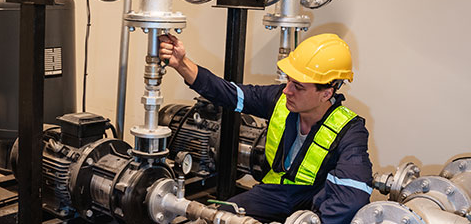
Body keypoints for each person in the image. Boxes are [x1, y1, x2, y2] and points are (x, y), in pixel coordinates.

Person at [158, 33, 373, 223]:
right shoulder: (280, 99)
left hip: (315, 203)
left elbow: (352, 197)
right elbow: (230, 94)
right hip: (275, 194)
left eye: (298, 86)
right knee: (224, 215)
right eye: (289, 80)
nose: (287, 90)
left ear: (326, 93)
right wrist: (181, 63)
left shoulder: (350, 131)